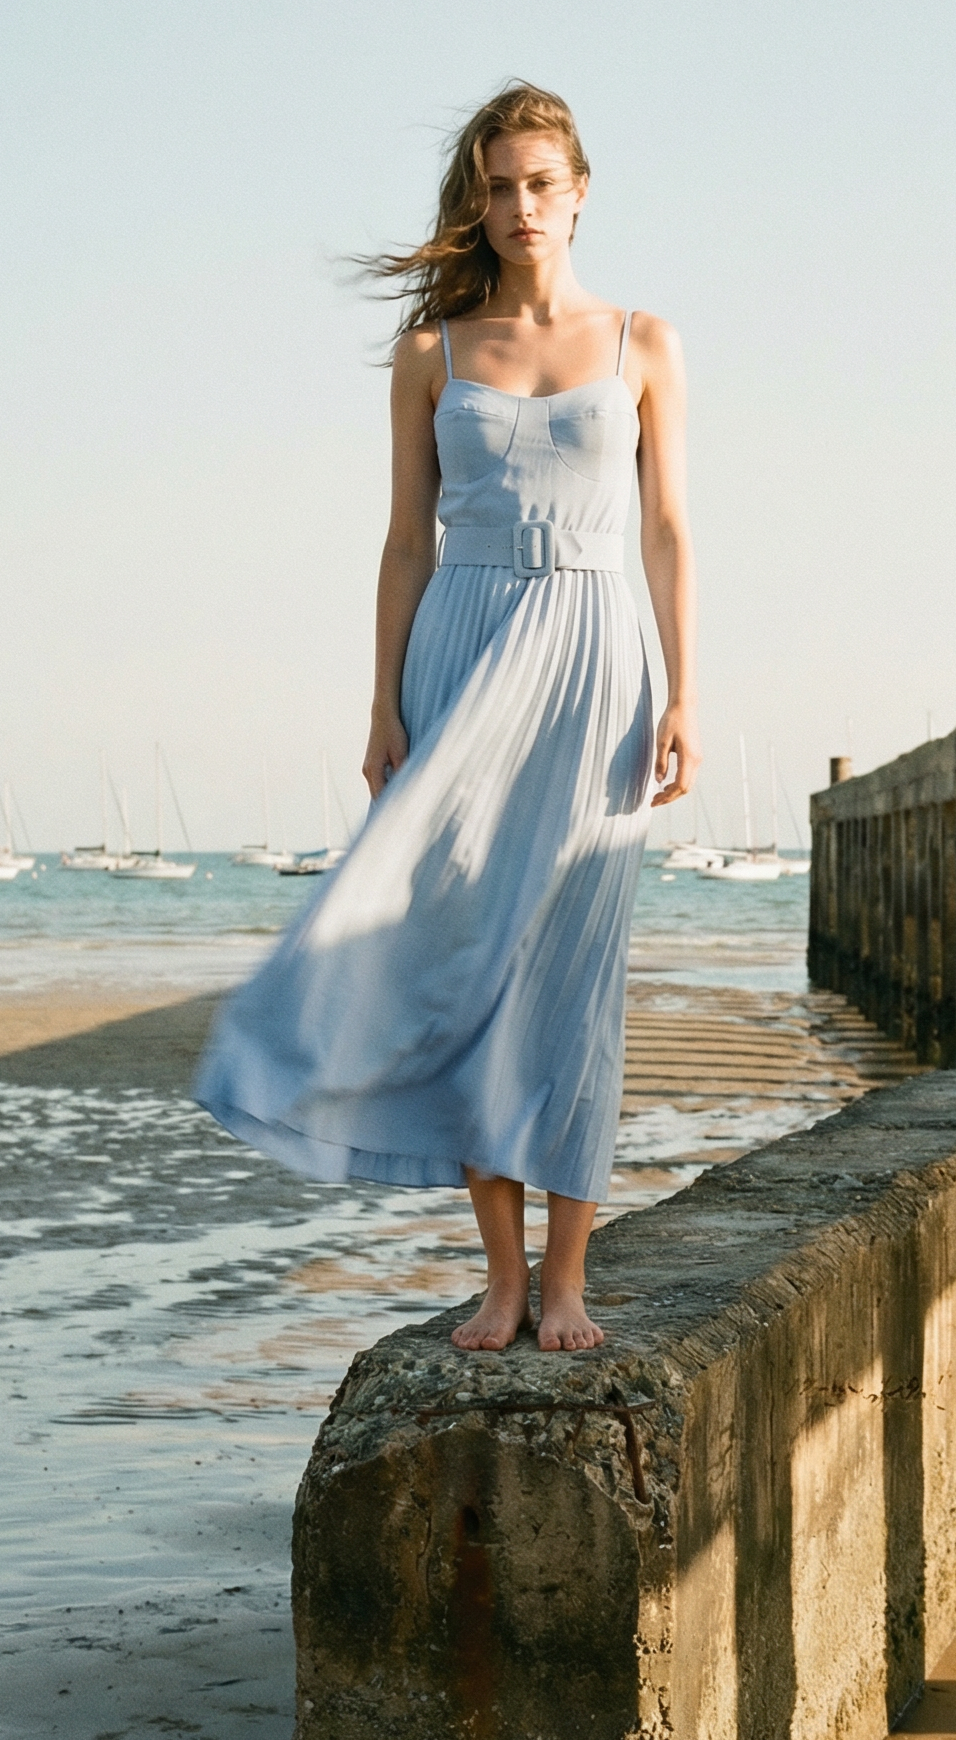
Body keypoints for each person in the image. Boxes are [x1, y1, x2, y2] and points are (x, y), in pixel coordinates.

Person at [195, 82, 698, 1351]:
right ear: (475, 200)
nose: (519, 206)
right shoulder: (431, 351)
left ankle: (570, 1276)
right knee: (464, 955)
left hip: (594, 658)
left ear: (580, 190)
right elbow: (402, 540)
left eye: (539, 182)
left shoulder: (644, 342)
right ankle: (502, 1278)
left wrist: (686, 689)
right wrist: (381, 703)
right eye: (496, 185)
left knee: (574, 971)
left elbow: (667, 527)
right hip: (461, 649)